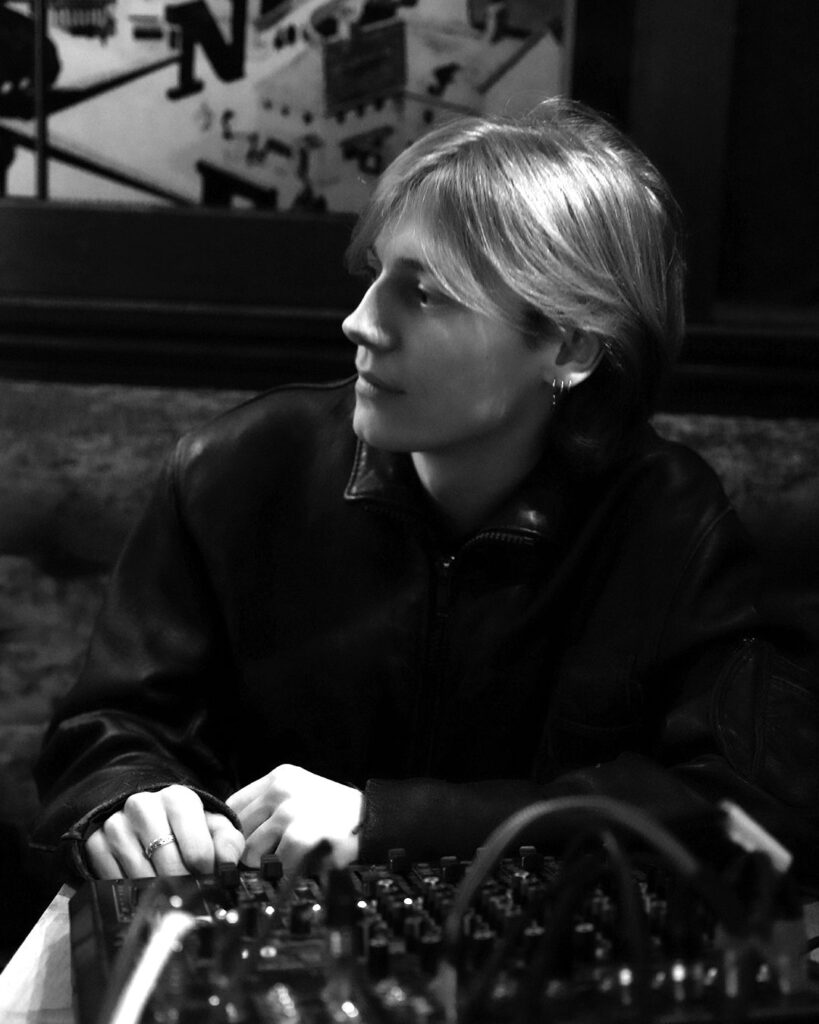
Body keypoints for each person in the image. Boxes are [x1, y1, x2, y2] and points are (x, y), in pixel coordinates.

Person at [32, 99, 819, 886]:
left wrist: (392, 824)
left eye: (425, 293)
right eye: (377, 273)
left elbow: (746, 808)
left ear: (570, 347)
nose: (359, 322)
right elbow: (108, 731)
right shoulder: (235, 470)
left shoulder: (669, 521)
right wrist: (127, 799)